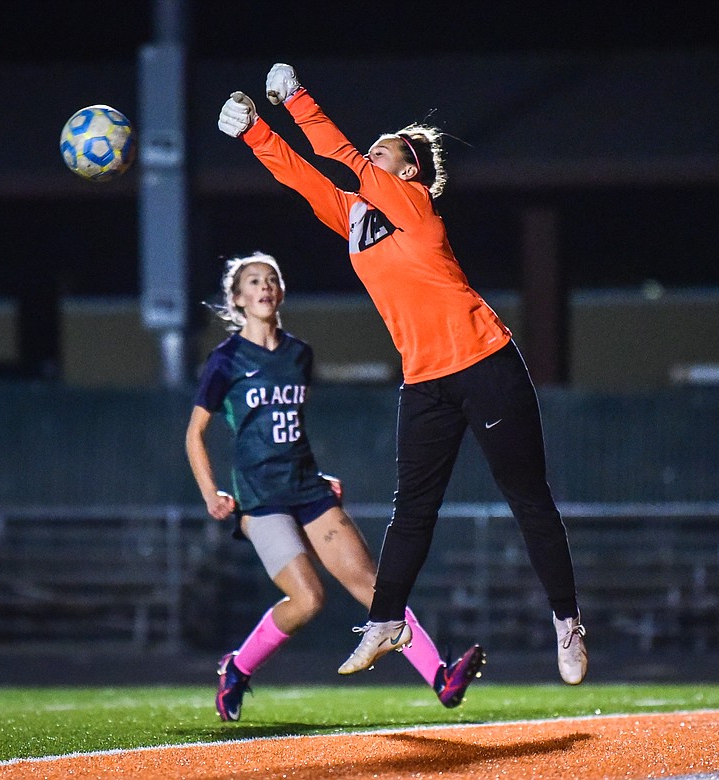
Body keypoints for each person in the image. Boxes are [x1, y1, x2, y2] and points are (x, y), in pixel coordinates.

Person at [215, 63, 587, 685]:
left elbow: (337, 153)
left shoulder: (412, 203)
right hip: (425, 380)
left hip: (485, 362)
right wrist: (256, 131)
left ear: (409, 170)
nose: (371, 154)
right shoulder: (358, 219)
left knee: (528, 499)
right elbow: (309, 181)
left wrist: (299, 100)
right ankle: (386, 621)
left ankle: (568, 622)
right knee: (411, 510)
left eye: (383, 151)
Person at [185, 252, 486, 722]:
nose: (264, 287)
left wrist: (316, 475)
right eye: (253, 282)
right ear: (239, 298)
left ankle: (441, 678)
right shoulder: (225, 362)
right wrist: (211, 492)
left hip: (308, 490)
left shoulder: (298, 354)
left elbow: (288, 429)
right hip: (262, 500)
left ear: (279, 292)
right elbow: (194, 434)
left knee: (376, 589)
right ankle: (237, 669)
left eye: (271, 279)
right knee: (308, 600)